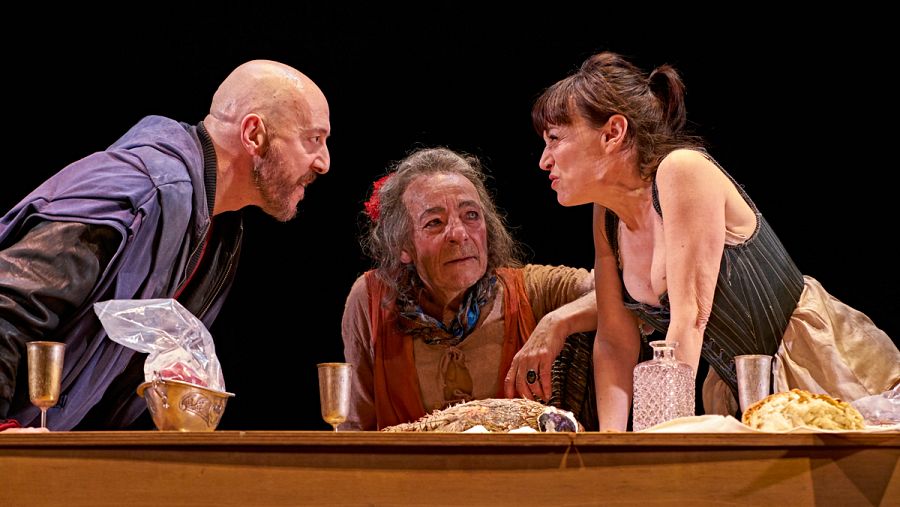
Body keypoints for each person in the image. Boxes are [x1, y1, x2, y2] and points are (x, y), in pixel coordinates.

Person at [531, 51, 900, 430]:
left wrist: (658, 442)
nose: (544, 160)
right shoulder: (606, 215)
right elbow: (614, 342)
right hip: (747, 390)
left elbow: (690, 318)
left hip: (824, 366)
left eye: (555, 139)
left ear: (613, 132)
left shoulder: (682, 170)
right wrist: (612, 445)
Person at [0, 60, 331, 431]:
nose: (324, 162)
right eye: (313, 139)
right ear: (254, 134)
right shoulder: (138, 188)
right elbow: (7, 305)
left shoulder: (220, 226)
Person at [341, 147, 597, 430]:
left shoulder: (530, 290)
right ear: (403, 246)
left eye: (471, 215)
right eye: (434, 222)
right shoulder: (370, 300)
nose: (460, 234)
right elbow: (354, 429)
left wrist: (556, 323)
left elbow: (627, 294)